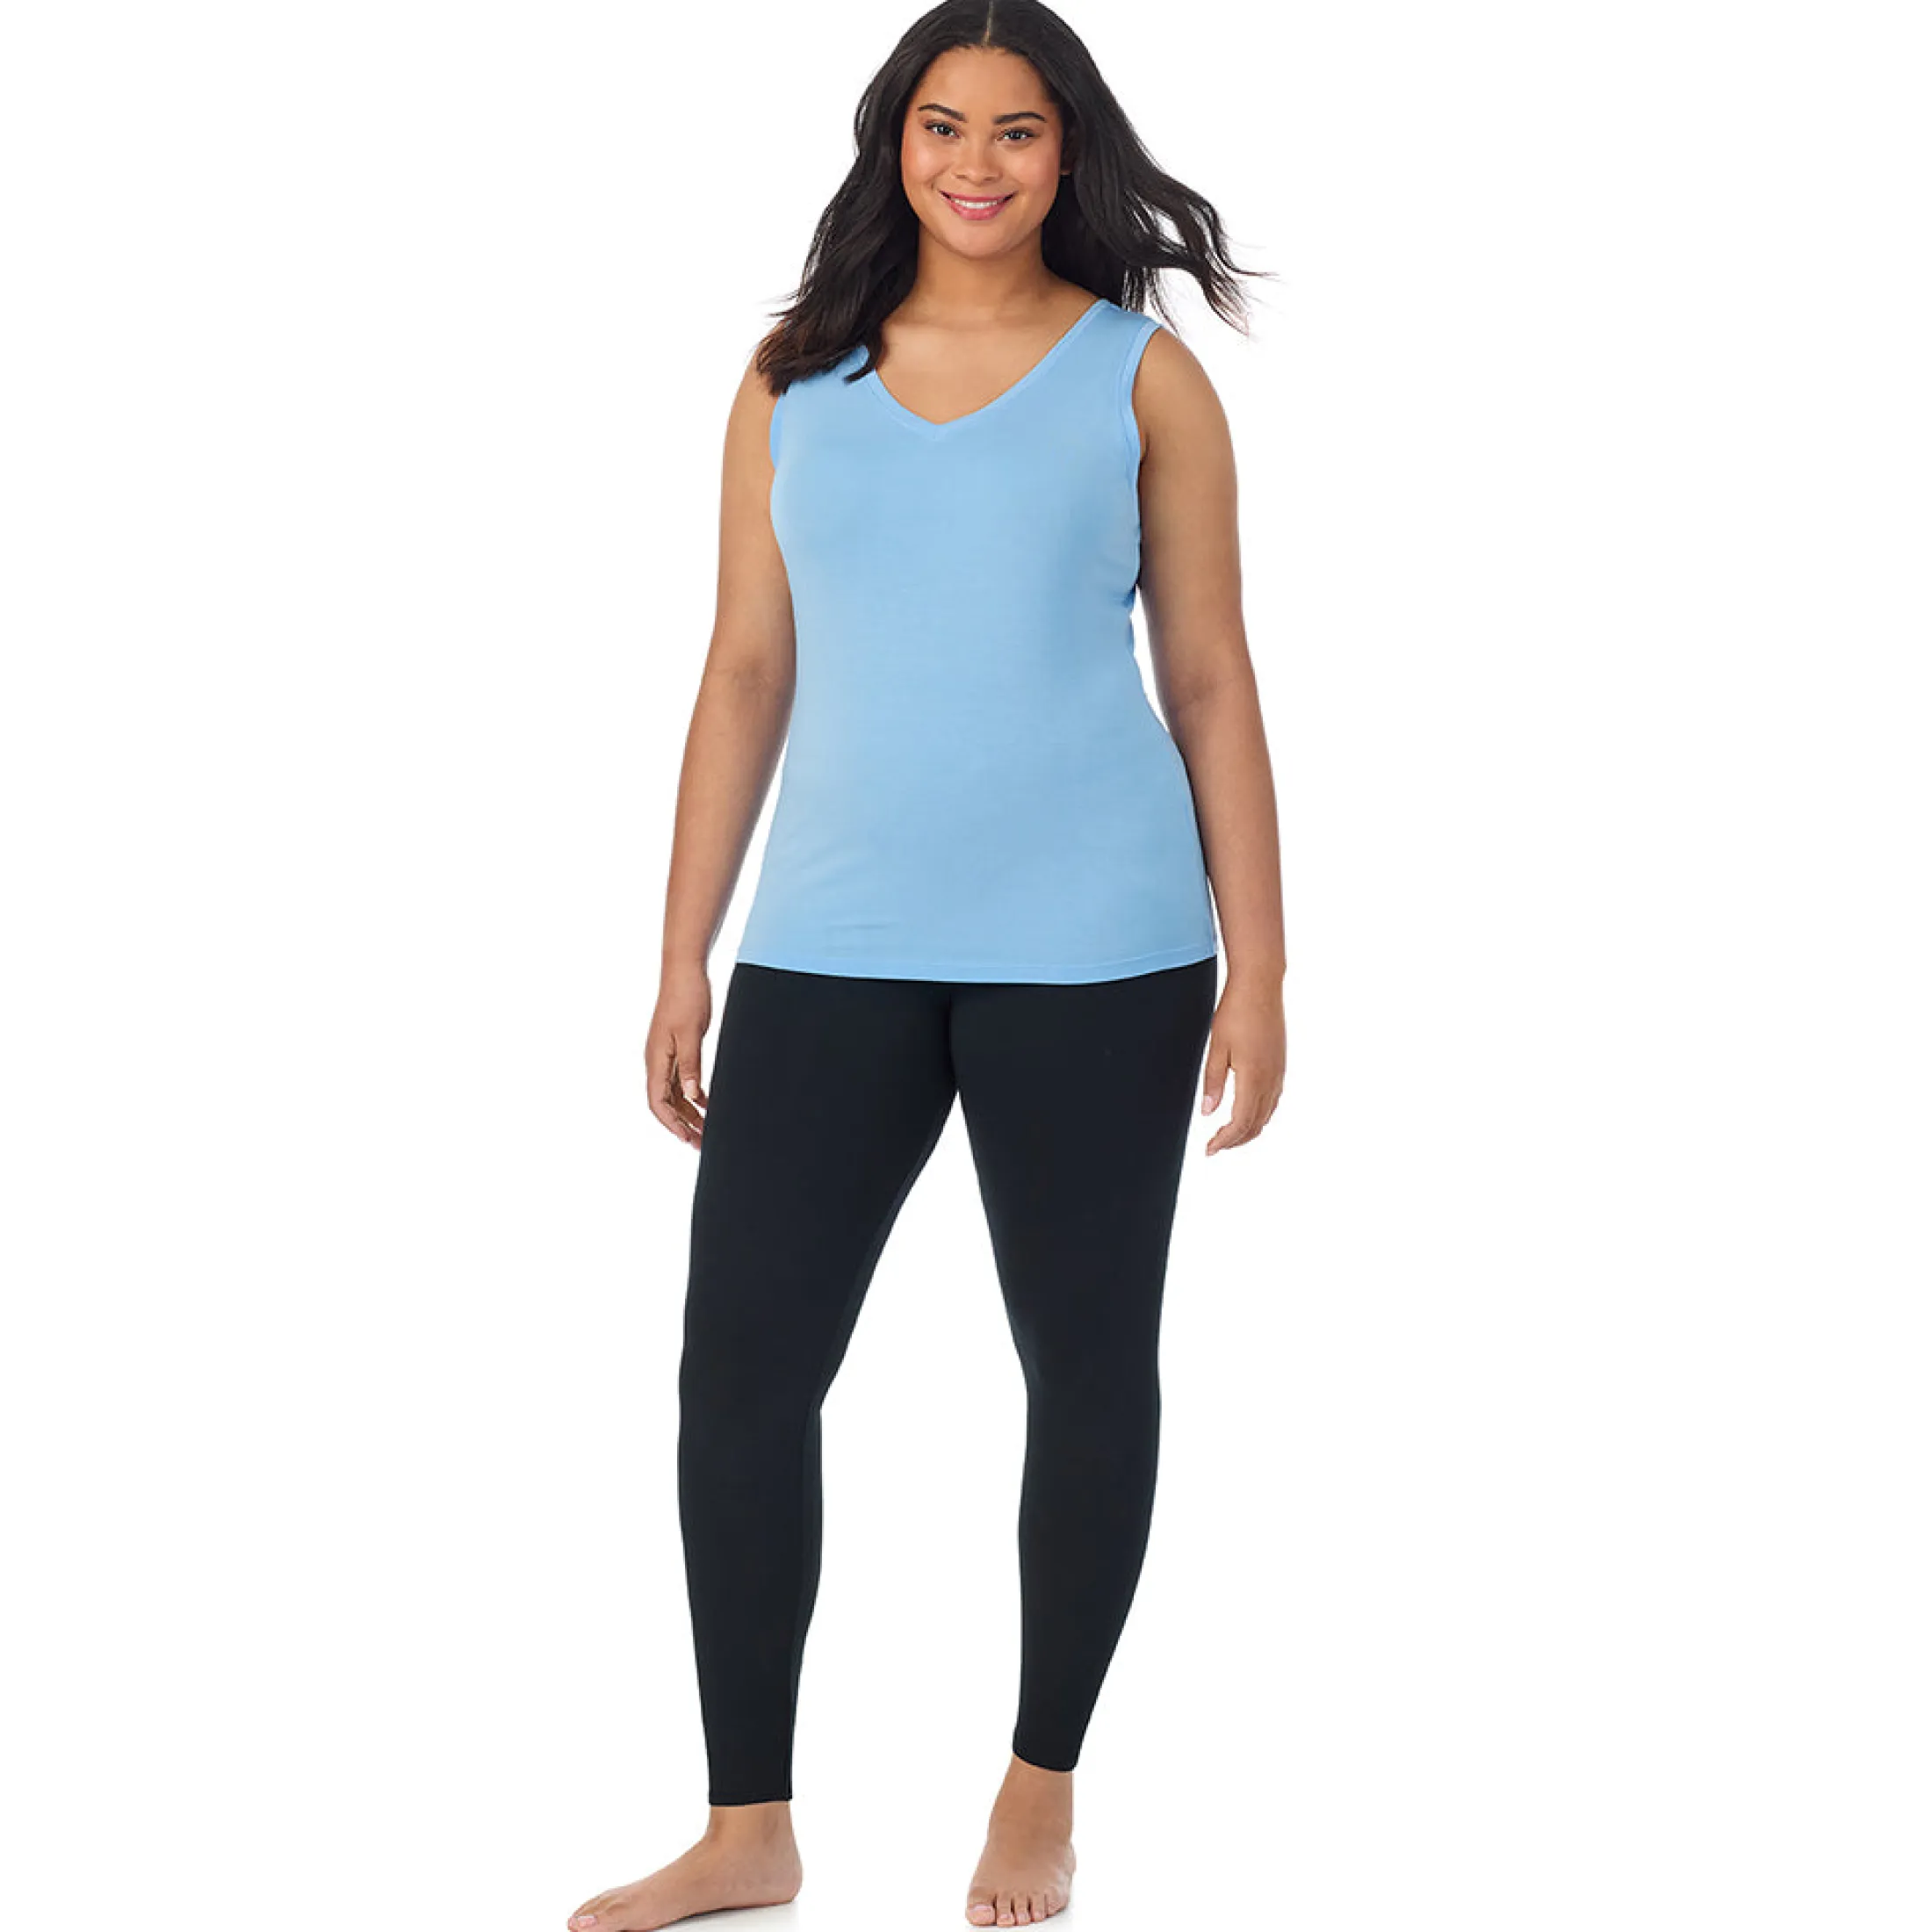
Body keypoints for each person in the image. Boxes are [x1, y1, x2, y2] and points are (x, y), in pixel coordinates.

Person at [567, 6, 1285, 1928]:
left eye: (1018, 131)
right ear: (894, 140)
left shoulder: (1145, 380)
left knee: (1085, 1370)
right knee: (740, 1374)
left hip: (1103, 950)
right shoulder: (789, 378)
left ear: (1069, 152)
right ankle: (749, 1821)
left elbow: (1210, 681)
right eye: (943, 125)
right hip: (832, 944)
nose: (977, 164)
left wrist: (1263, 967)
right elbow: (744, 666)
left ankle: (1040, 1785)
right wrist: (681, 955)